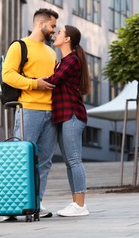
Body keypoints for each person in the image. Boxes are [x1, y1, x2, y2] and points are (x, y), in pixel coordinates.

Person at [2, 8, 59, 219]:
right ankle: (14, 205)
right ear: (40, 23)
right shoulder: (20, 46)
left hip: (50, 112)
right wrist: (35, 84)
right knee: (21, 158)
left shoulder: (52, 52)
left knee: (44, 161)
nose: (54, 30)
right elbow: (8, 75)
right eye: (52, 26)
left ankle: (37, 203)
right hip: (28, 109)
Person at [46, 25, 90, 217]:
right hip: (64, 116)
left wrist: (32, 81)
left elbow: (54, 80)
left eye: (60, 32)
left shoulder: (71, 60)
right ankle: (76, 203)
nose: (56, 34)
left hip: (72, 115)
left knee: (74, 160)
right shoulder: (63, 61)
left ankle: (80, 205)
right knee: (70, 161)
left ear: (67, 39)